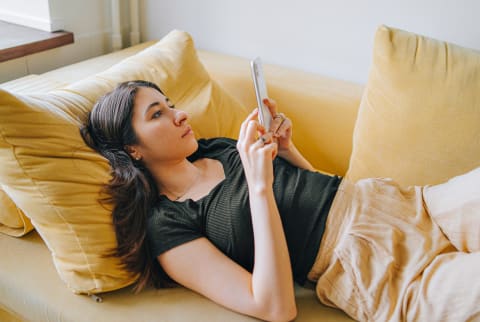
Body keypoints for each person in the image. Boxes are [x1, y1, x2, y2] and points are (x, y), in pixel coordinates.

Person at [80, 80, 480, 322]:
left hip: (411, 203)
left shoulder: (218, 148)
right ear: (132, 149)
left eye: (170, 104)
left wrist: (288, 153)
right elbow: (274, 306)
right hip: (373, 266)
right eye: (157, 114)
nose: (180, 114)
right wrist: (258, 185)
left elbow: (317, 195)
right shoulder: (166, 224)